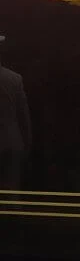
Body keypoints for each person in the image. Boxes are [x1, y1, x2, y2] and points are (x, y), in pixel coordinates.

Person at [0, 35, 31, 190]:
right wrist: (27, 144)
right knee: (12, 193)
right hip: (12, 144)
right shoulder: (15, 78)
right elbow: (23, 117)